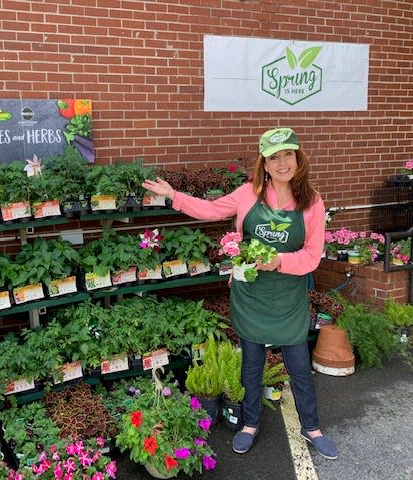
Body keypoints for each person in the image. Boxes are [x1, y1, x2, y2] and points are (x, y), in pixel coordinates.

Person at [141, 127, 338, 460]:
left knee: (300, 367)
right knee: (251, 365)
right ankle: (249, 424)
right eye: (274, 157)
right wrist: (174, 195)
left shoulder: (312, 202)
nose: (282, 163)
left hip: (288, 298)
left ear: (298, 158)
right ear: (264, 162)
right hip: (251, 295)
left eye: (287, 154)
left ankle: (312, 426)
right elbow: (211, 210)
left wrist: (277, 260)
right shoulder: (248, 194)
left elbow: (312, 255)